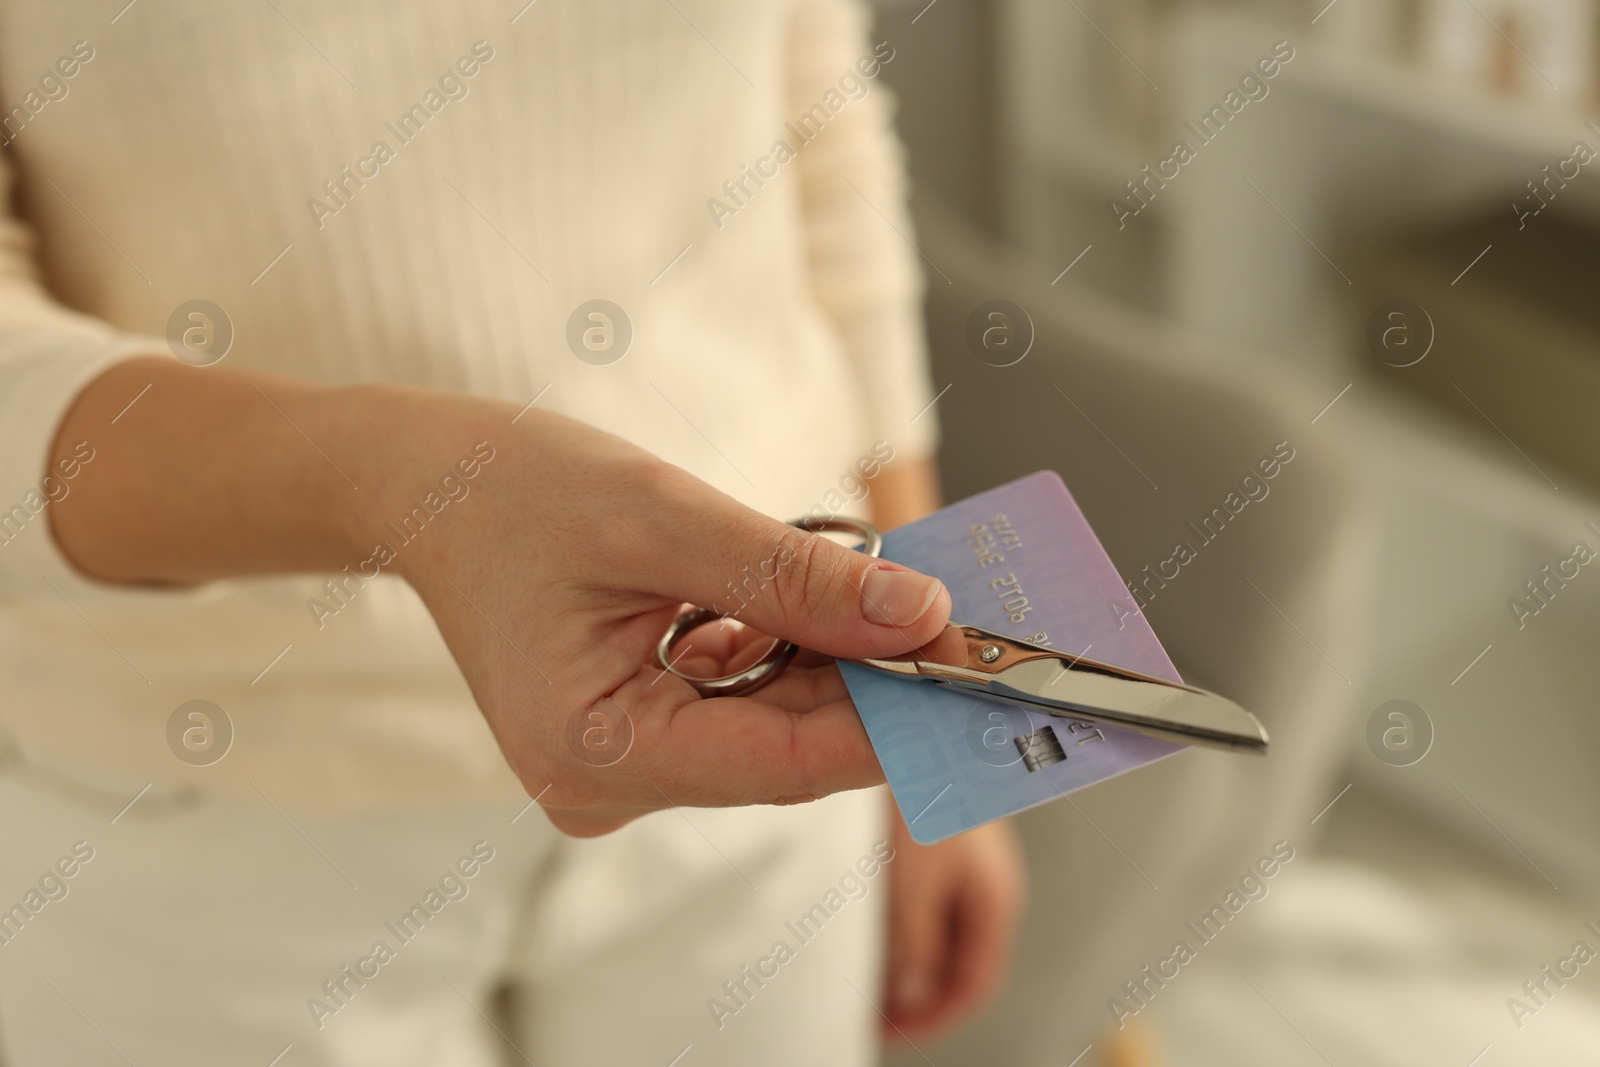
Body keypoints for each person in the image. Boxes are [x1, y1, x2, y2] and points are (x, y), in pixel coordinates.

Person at [0, 2, 1022, 1065]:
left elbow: (813, 121)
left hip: (766, 712)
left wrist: (943, 727)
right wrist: (409, 488)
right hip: (203, 816)